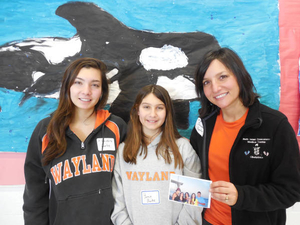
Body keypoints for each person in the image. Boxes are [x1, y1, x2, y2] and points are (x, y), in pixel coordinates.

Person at [190, 47, 300, 225]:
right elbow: (194, 172)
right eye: (206, 82)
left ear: (239, 76)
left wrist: (241, 196)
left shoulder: (275, 125)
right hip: (209, 221)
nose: (215, 88)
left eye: (222, 77)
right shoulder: (204, 124)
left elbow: (291, 191)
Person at [23, 58, 127, 225]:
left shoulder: (117, 126)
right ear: (67, 86)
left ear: (102, 91)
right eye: (78, 83)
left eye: (95, 85)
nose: (86, 91)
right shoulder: (45, 131)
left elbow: (131, 182)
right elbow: (34, 195)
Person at [111, 84, 202, 224]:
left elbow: (194, 201)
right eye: (146, 107)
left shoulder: (183, 148)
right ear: (137, 110)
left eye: (159, 108)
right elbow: (118, 203)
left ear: (167, 112)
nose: (152, 114)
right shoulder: (123, 151)